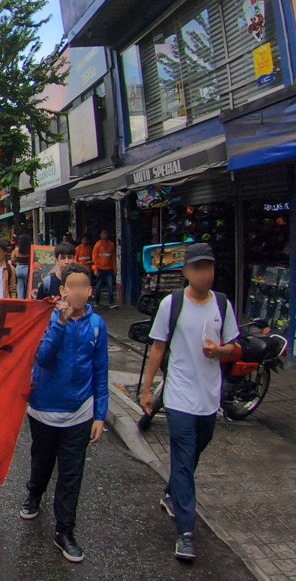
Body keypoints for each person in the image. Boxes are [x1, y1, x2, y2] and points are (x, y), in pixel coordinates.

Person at [141, 243, 242, 563]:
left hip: (209, 397)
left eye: (208, 267)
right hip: (179, 396)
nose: (204, 274)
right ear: (185, 271)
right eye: (197, 268)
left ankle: (172, 493)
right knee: (184, 459)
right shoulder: (172, 304)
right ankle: (186, 532)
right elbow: (158, 348)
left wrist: (219, 352)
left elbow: (234, 346)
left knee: (195, 450)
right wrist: (147, 390)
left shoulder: (222, 304)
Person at [20, 263, 108, 565]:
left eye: (83, 286)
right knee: (42, 461)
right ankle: (34, 493)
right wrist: (60, 322)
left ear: (90, 290)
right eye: (72, 286)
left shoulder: (97, 324)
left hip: (80, 412)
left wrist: (100, 414)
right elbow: (42, 358)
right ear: (62, 290)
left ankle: (65, 531)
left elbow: (101, 370)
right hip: (43, 409)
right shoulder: (48, 318)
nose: (78, 292)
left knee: (71, 474)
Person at [92, 231, 117, 308]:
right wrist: (95, 269)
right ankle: (97, 302)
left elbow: (113, 258)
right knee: (98, 286)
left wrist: (114, 269)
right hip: (100, 269)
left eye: (106, 233)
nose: (105, 235)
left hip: (109, 269)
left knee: (110, 286)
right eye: (103, 233)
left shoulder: (111, 245)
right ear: (100, 235)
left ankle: (111, 303)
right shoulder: (97, 245)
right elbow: (94, 258)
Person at [14, 235, 34, 300]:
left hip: (18, 269)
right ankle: (27, 301)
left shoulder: (17, 250)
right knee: (27, 288)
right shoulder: (30, 250)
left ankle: (20, 301)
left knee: (20, 287)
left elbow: (12, 259)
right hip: (27, 269)